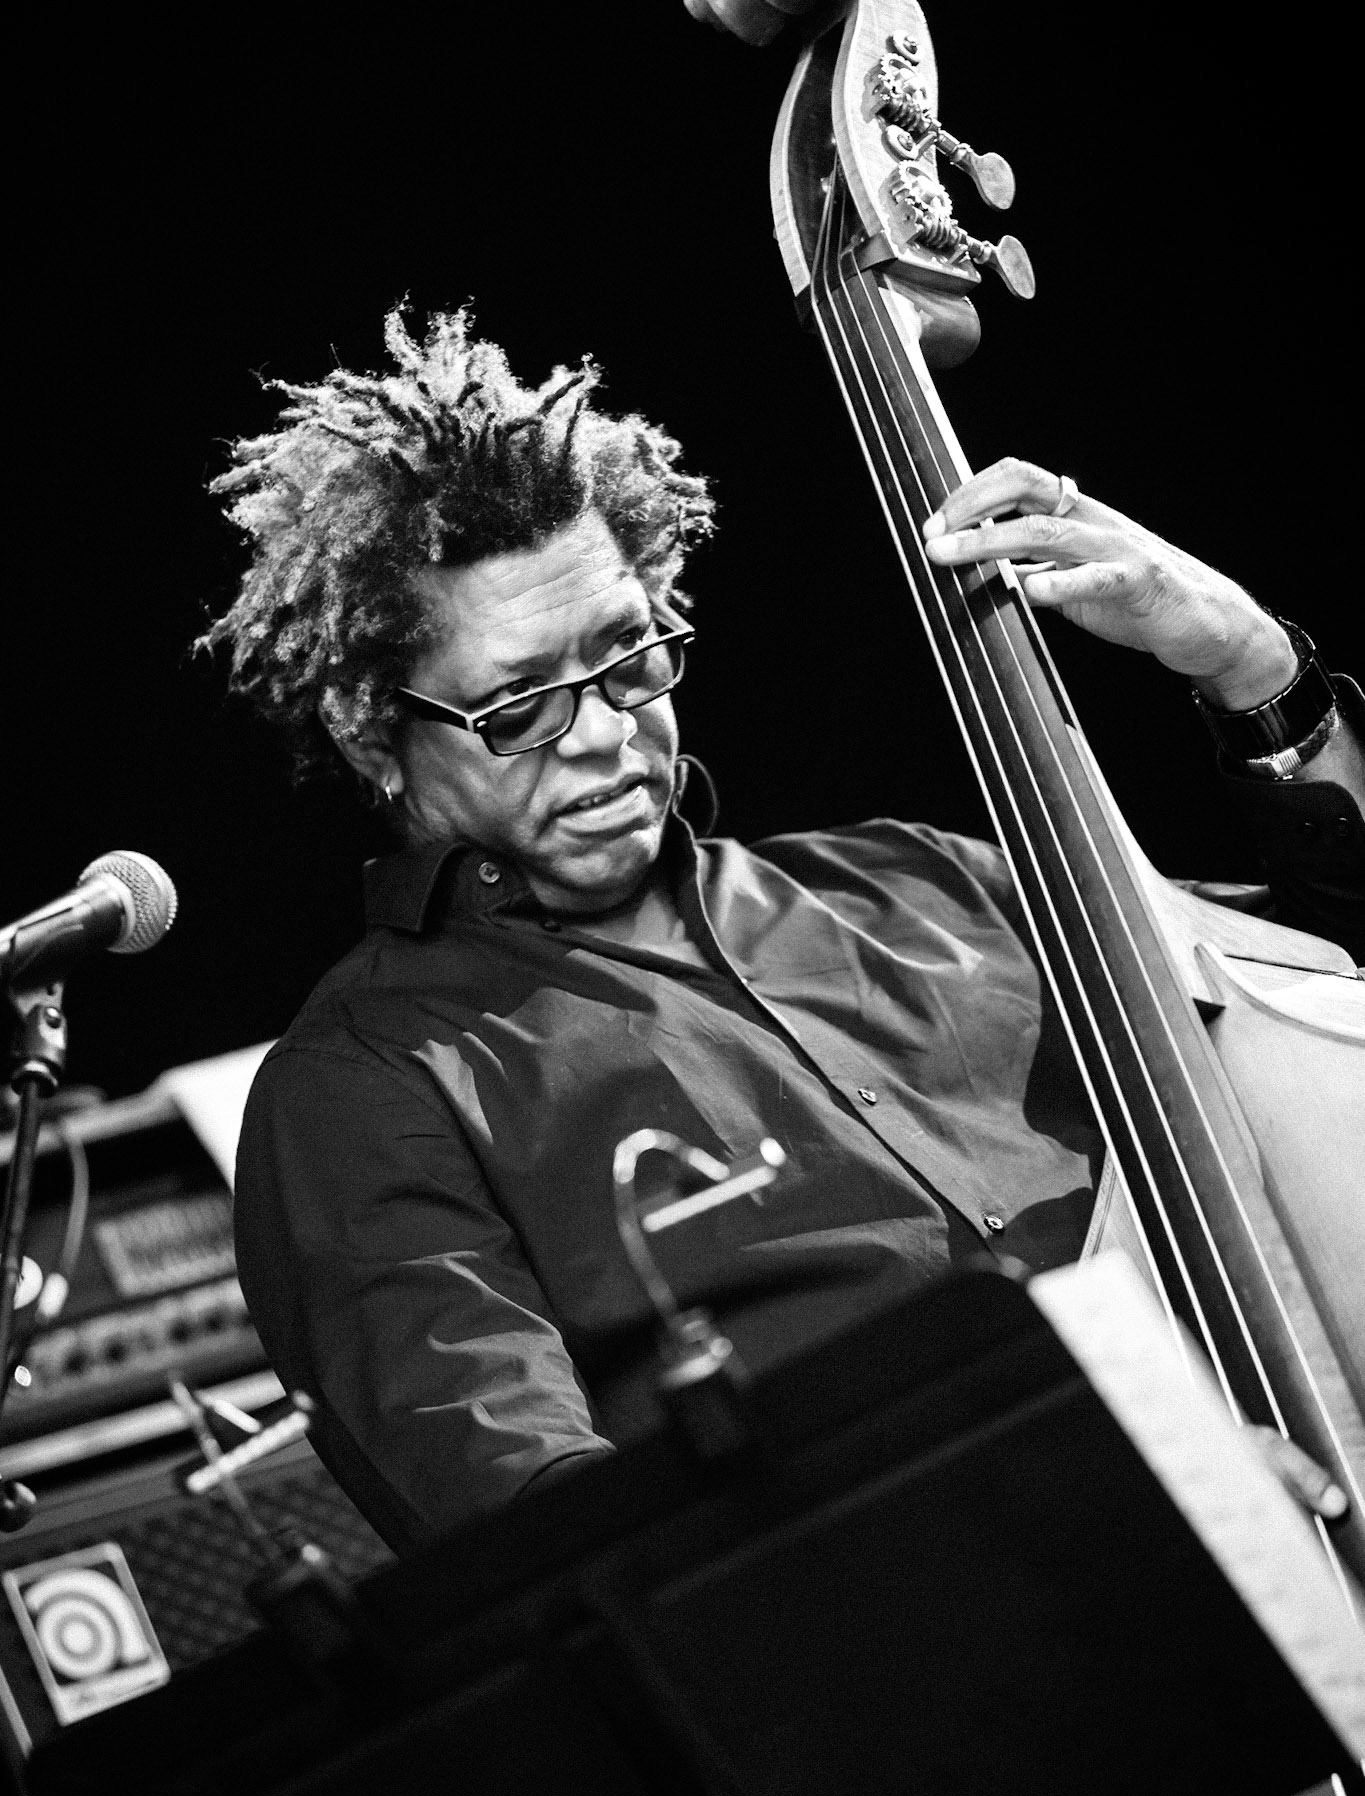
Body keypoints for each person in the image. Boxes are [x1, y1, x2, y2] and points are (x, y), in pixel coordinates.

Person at [209, 306, 1364, 1557]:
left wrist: (1252, 670)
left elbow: (1317, 992)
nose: (603, 734)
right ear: (376, 736)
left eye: (629, 656)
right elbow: (563, 1547)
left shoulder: (923, 879)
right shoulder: (365, 1088)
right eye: (519, 705)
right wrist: (1106, 1468)